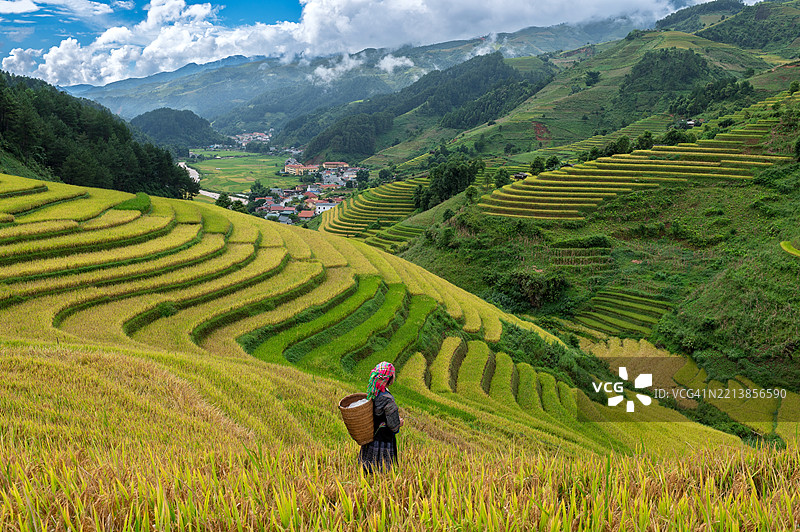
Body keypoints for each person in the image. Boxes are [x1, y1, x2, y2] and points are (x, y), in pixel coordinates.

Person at [359, 361, 404, 473]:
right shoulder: (388, 399)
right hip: (383, 442)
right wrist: (399, 422)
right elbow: (393, 426)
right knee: (381, 474)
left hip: (370, 440)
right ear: (389, 378)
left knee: (367, 472)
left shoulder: (372, 393)